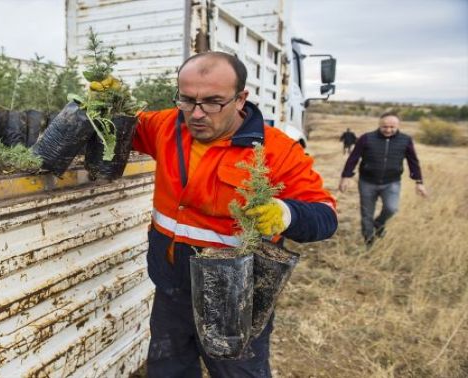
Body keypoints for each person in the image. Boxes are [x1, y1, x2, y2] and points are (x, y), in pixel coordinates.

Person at [132, 52, 337, 378]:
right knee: (168, 369)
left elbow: (325, 216)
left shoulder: (276, 150)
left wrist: (286, 214)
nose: (196, 114)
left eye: (213, 102)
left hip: (235, 297)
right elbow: (123, 126)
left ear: (241, 98)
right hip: (171, 287)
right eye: (187, 100)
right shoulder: (167, 127)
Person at [339, 112, 427, 247]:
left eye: (392, 127)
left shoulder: (405, 140)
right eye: (385, 127)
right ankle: (369, 242)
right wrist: (346, 176)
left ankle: (379, 223)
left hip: (391, 182)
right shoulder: (366, 138)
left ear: (398, 126)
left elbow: (413, 161)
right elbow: (353, 158)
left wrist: (419, 182)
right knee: (366, 214)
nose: (388, 130)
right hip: (367, 182)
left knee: (391, 208)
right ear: (379, 125)